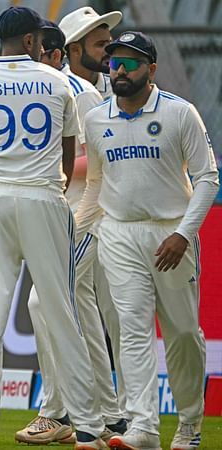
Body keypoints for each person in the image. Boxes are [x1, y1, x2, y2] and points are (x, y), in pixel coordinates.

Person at [0, 7, 105, 449]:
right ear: (33, 41)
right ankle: (88, 428)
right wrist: (43, 187)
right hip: (44, 198)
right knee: (63, 313)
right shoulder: (58, 82)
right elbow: (69, 158)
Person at [75, 32, 218, 450]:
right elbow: (97, 183)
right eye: (115, 61)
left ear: (152, 69)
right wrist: (78, 232)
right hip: (119, 234)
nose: (120, 69)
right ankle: (143, 428)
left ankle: (190, 423)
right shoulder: (97, 119)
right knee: (132, 331)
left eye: (132, 63)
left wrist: (182, 234)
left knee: (182, 334)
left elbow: (208, 179)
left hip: (171, 232)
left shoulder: (179, 112)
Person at [16, 19, 126, 446]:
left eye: (107, 43)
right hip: (67, 213)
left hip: (85, 213)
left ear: (61, 53)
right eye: (101, 43)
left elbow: (95, 161)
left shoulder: (77, 93)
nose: (109, 51)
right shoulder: (69, 90)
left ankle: (59, 410)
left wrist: (38, 164)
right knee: (81, 313)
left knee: (45, 302)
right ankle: (107, 414)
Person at [60, 7, 120, 100]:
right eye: (100, 44)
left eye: (109, 43)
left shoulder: (119, 88)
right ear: (75, 49)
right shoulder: (57, 88)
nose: (109, 50)